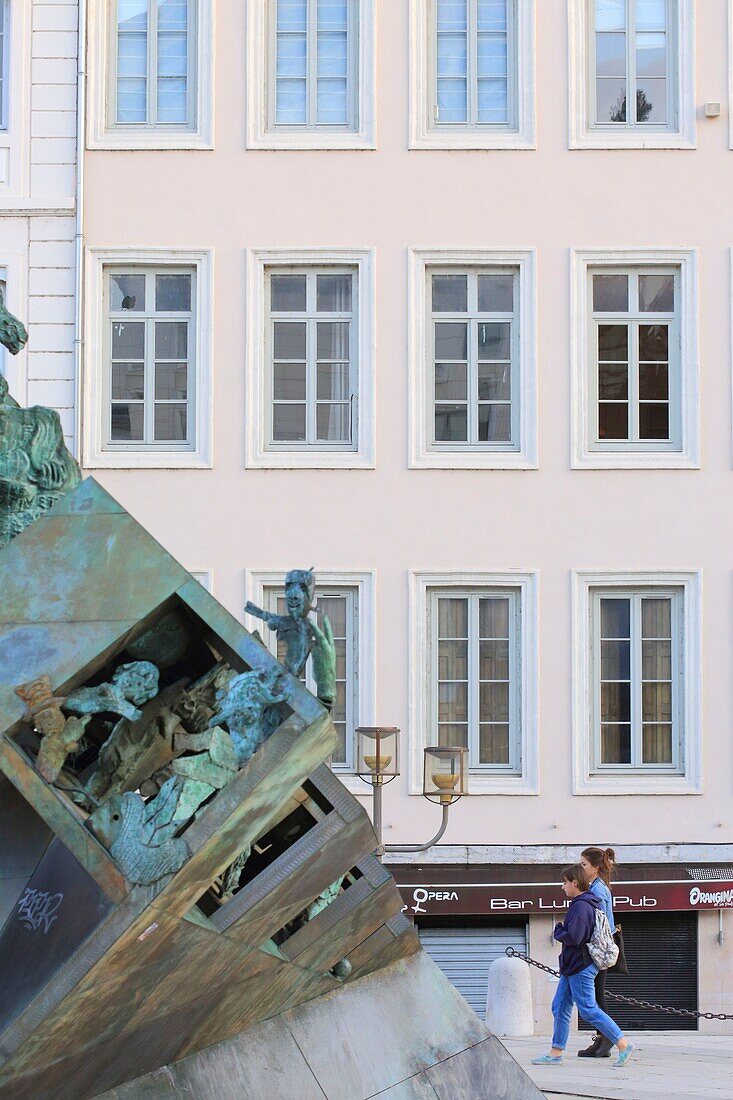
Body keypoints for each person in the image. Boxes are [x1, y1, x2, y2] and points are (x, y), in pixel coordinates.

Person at [532, 865, 633, 1069]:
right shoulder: (585, 903)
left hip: (581, 965)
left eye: (565, 882)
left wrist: (559, 931)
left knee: (588, 1009)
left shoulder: (581, 906)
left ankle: (623, 1043)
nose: (563, 887)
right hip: (573, 965)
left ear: (574, 883)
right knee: (560, 1006)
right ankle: (556, 1052)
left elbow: (576, 937)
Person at [578, 846, 618, 1058]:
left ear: (595, 867)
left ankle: (608, 1037)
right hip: (597, 948)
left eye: (584, 865)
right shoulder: (596, 887)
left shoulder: (598, 891)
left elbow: (599, 924)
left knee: (597, 995)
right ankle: (601, 1040)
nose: (581, 868)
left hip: (598, 948)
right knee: (594, 994)